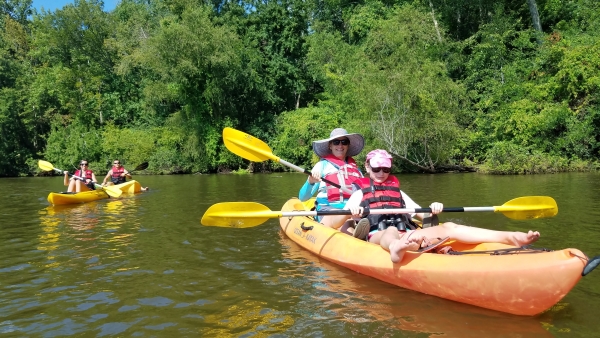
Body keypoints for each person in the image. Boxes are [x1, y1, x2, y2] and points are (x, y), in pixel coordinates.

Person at [327, 149, 540, 263]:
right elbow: (336, 222)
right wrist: (351, 214)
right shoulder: (359, 193)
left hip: (408, 233)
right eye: (377, 168)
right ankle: (396, 250)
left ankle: (510, 237)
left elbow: (422, 215)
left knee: (449, 227)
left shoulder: (398, 192)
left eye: (386, 168)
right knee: (391, 230)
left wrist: (433, 208)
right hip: (379, 235)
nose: (382, 172)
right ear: (367, 166)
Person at [298, 128, 366, 236]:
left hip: (354, 211)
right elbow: (303, 198)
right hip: (328, 210)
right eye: (336, 142)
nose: (340, 145)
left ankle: (358, 232)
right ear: (330, 145)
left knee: (348, 221)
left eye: (344, 142)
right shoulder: (322, 166)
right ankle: (354, 234)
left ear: (348, 145)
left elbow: (365, 194)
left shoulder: (357, 170)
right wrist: (310, 181)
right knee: (345, 224)